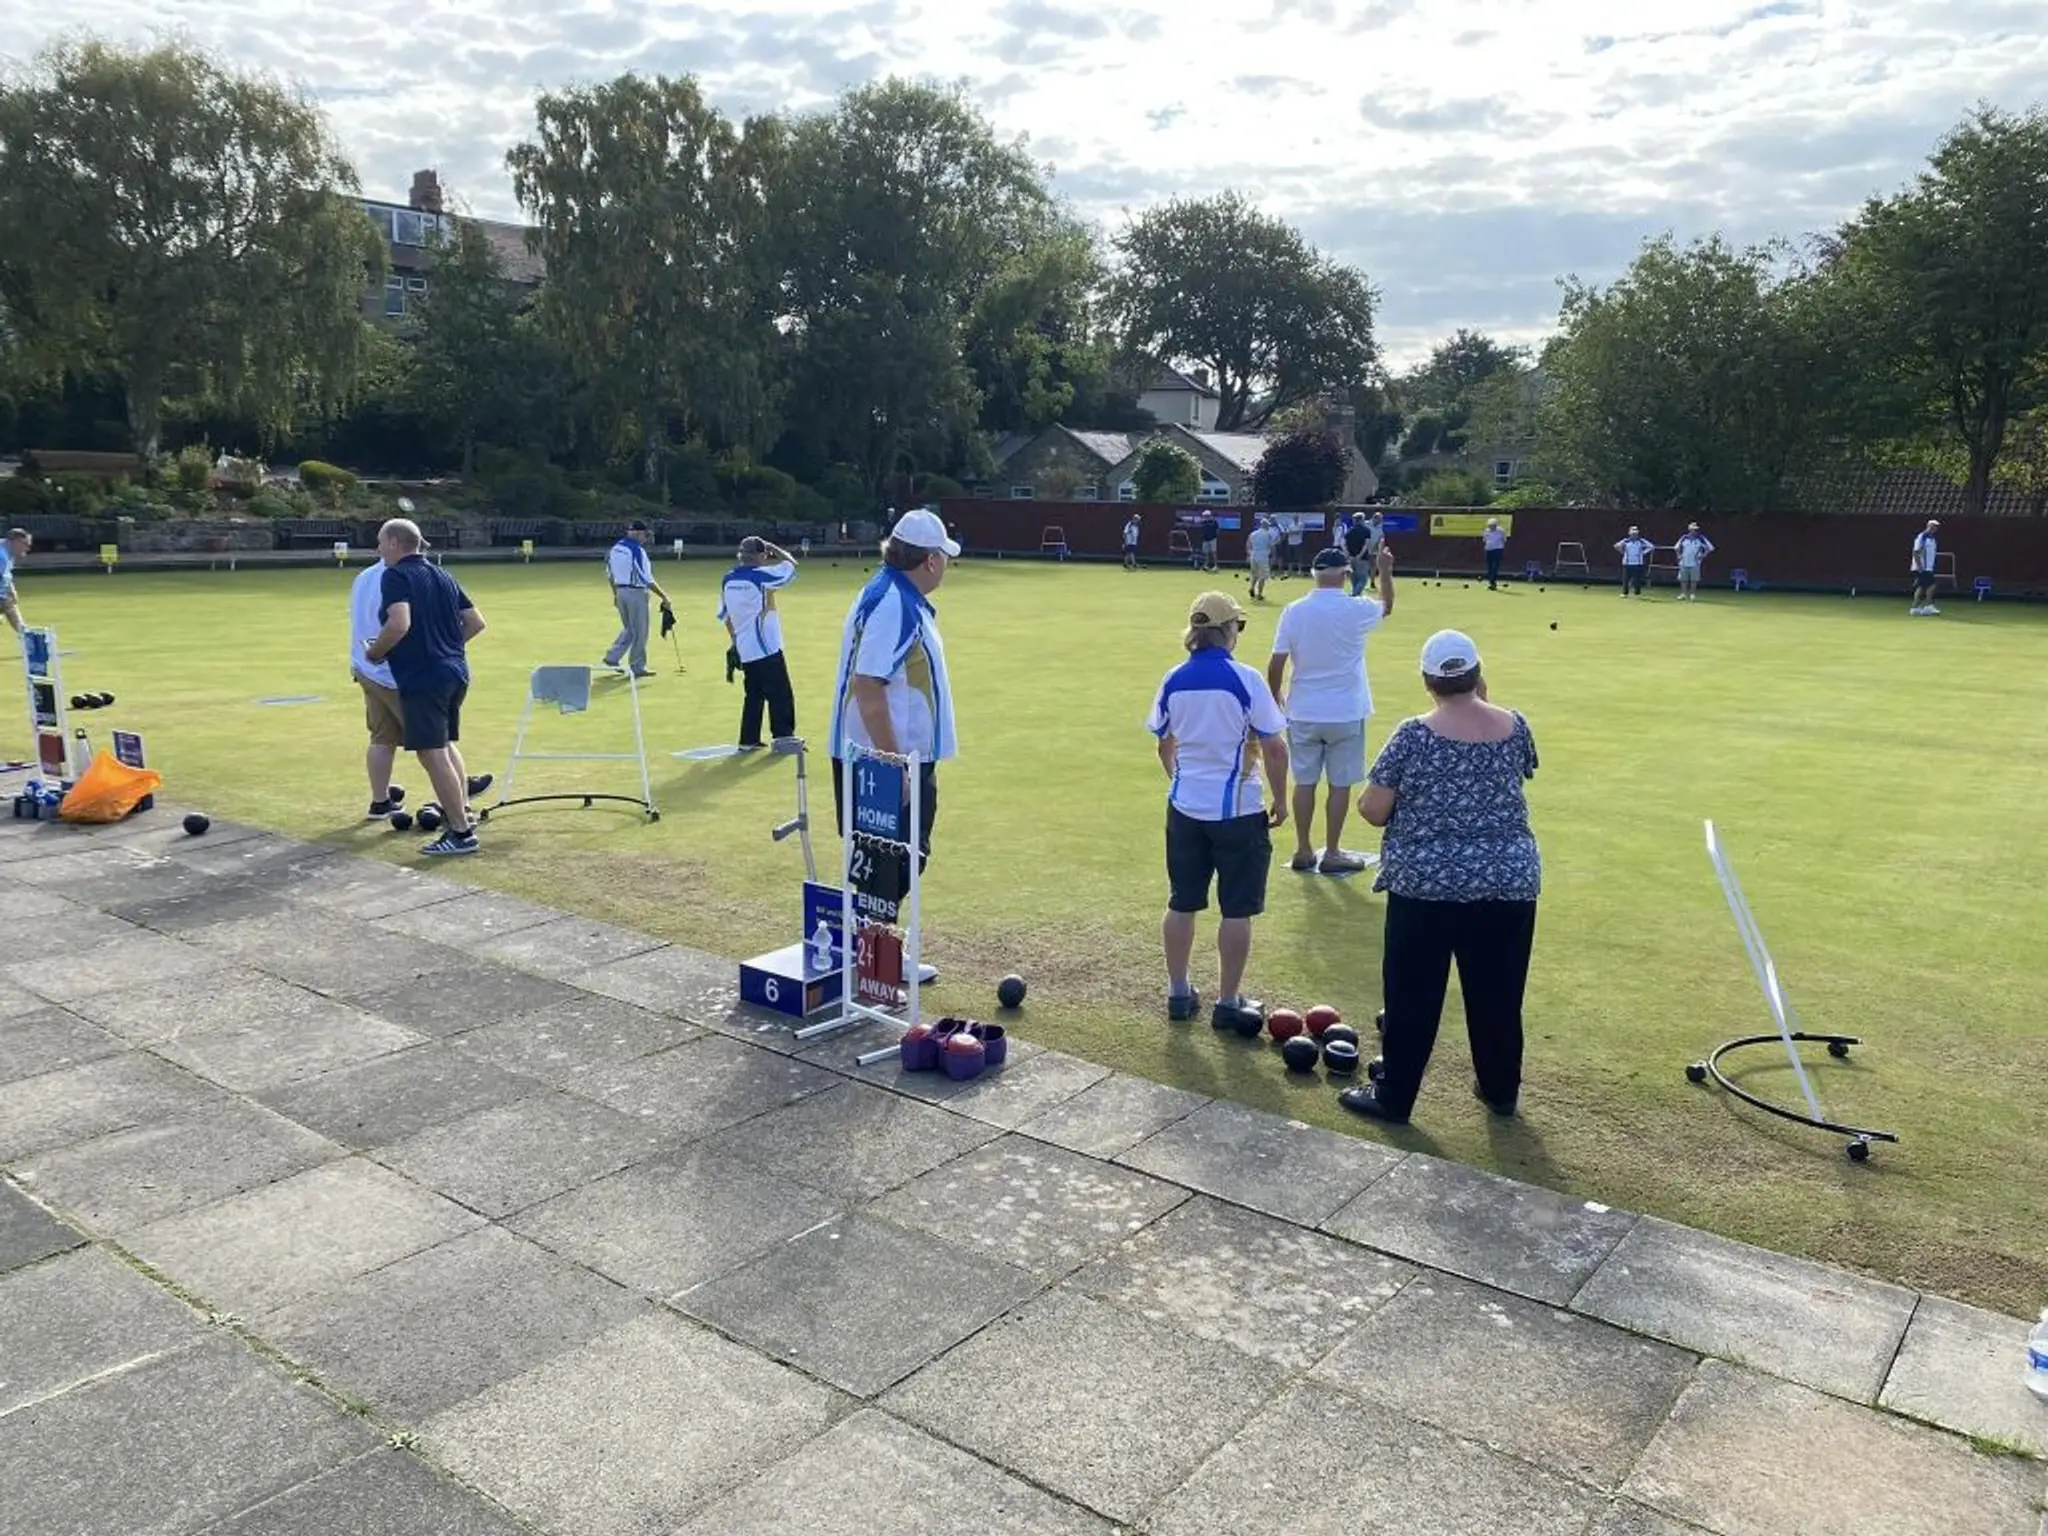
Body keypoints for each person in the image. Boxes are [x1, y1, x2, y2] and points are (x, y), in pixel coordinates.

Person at [1340, 630, 1541, 1125]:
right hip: (1508, 880)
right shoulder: (1515, 725)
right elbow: (1519, 769)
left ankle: (1395, 1097)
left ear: (1428, 680)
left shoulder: (1413, 733)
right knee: (1498, 992)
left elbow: (1374, 809)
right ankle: (1499, 1089)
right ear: (1478, 673)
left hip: (1426, 884)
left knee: (1413, 994)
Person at [1146, 589, 1288, 1029]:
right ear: (1227, 630)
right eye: (1237, 626)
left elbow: (1163, 742)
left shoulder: (1173, 677)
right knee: (1236, 908)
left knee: (1182, 901)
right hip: (1238, 811)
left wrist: (1179, 778)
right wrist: (1281, 800)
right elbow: (1275, 747)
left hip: (1186, 807)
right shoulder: (1245, 678)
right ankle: (1228, 1001)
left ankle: (1178, 992)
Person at [829, 507, 958, 871]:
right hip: (886, 762)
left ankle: (874, 930)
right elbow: (868, 687)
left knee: (891, 871)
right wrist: (893, 764)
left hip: (881, 758)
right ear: (931, 561)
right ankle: (873, 931)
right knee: (890, 872)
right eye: (944, 556)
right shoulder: (894, 604)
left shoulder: (892, 593)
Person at [362, 519, 488, 857]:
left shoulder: (396, 576)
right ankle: (462, 818)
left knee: (431, 753)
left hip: (424, 677)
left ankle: (460, 833)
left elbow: (399, 623)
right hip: (454, 672)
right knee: (442, 747)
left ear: (393, 543)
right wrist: (447, 647)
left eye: (380, 542)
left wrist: (375, 652)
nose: (378, 549)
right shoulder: (443, 575)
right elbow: (476, 622)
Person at [1268, 544, 1395, 874]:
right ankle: (1333, 850)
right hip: (1345, 710)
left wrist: (1276, 698)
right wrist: (1385, 570)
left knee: (1305, 782)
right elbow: (1387, 606)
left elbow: (1276, 662)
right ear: (1345, 575)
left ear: (1314, 574)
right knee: (1340, 784)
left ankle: (1303, 848)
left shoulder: (1294, 611)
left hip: (1304, 709)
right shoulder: (1356, 608)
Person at [720, 535, 800, 751]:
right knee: (780, 692)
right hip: (766, 646)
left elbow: (725, 616)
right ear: (761, 556)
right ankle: (784, 738)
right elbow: (792, 566)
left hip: (745, 646)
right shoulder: (763, 576)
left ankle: (748, 740)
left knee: (754, 694)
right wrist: (775, 547)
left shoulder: (728, 579)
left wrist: (735, 642)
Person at [349, 556, 407, 820]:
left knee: (382, 737)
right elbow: (398, 625)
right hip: (392, 670)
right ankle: (459, 798)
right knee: (433, 741)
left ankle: (380, 802)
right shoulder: (400, 578)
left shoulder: (363, 576)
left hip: (365, 668)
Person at [602, 519, 672, 678]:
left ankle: (612, 657)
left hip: (620, 592)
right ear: (639, 533)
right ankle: (637, 666)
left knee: (629, 628)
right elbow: (646, 578)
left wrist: (615, 594)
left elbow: (610, 574)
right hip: (636, 593)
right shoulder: (637, 551)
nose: (645, 539)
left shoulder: (615, 549)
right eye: (645, 535)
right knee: (640, 630)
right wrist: (664, 596)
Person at [0, 528, 30, 635]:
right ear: (15, 541)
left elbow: (6, 574)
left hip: (4, 596)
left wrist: (12, 590)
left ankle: (26, 636)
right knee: (11, 609)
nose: (27, 548)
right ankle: (27, 637)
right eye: (25, 544)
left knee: (11, 609)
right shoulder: (1, 556)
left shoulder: (8, 551)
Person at [1675, 523, 1715, 601]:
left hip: (1695, 563)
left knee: (1694, 579)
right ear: (1690, 530)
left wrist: (1703, 555)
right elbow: (1676, 547)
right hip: (1683, 562)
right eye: (1693, 529)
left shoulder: (1701, 538)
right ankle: (1683, 594)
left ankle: (1692, 595)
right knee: (1683, 579)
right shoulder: (1684, 538)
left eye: (1696, 530)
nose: (1695, 531)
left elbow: (1710, 548)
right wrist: (1679, 555)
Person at [1910, 519, 1941, 616]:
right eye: (1932, 526)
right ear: (1927, 526)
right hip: (1922, 567)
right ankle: (1928, 606)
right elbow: (1916, 552)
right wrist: (1920, 567)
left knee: (1922, 587)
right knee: (1931, 585)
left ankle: (1915, 608)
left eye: (1935, 527)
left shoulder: (1933, 539)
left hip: (1928, 568)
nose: (1934, 528)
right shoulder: (1922, 537)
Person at [1615, 525, 1654, 598]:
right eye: (1633, 533)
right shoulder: (1626, 541)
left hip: (1638, 563)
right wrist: (1622, 551)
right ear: (1629, 533)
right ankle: (1625, 593)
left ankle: (1637, 593)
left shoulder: (1641, 541)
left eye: (1635, 533)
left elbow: (1651, 546)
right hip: (1627, 563)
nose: (1634, 535)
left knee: (1637, 580)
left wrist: (1643, 552)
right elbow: (1616, 546)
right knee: (1626, 579)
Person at [1246, 514, 1277, 602]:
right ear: (1266, 525)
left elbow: (1248, 545)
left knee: (1254, 575)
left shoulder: (1253, 534)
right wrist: (1274, 557)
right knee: (1262, 577)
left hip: (1254, 556)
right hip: (1263, 557)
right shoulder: (1268, 535)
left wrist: (1249, 554)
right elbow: (1272, 546)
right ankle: (1259, 594)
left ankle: (1252, 588)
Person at [1342, 513, 1374, 597]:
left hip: (1351, 558)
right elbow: (1366, 544)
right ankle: (1354, 595)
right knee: (1363, 579)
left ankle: (1355, 597)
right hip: (1362, 558)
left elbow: (1343, 544)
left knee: (1354, 580)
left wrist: (1348, 555)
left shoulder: (1349, 531)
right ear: (1362, 520)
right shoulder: (1366, 530)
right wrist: (1360, 555)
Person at [1482, 518, 1508, 590]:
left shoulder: (1501, 531)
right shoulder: (1486, 531)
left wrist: (1499, 546)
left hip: (1498, 549)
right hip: (1488, 549)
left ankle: (1492, 581)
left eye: (1493, 525)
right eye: (1490, 525)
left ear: (1496, 525)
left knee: (1495, 565)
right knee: (1489, 566)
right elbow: (1484, 540)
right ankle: (1491, 581)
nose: (1491, 527)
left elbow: (1504, 540)